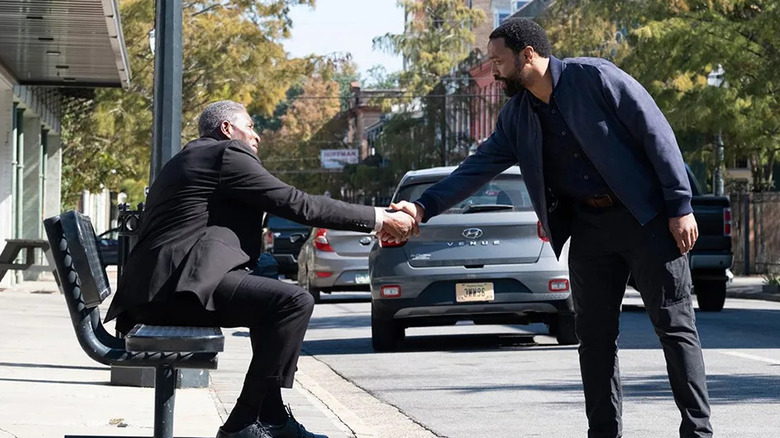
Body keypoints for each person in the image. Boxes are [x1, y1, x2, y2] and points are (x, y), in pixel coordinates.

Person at [390, 18, 712, 438]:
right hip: (589, 230)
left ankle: (698, 431)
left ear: (527, 54)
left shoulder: (596, 78)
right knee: (594, 339)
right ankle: (603, 433)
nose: (494, 70)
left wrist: (680, 205)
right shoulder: (516, 116)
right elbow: (474, 170)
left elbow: (657, 134)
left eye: (498, 60)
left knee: (674, 327)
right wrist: (420, 207)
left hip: (646, 220)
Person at [105, 100, 415, 438]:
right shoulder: (225, 155)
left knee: (268, 288)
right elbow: (299, 203)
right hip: (170, 293)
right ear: (227, 130)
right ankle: (240, 423)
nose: (257, 137)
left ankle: (274, 418)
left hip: (160, 290)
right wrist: (379, 217)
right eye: (250, 127)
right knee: (293, 302)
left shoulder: (197, 157)